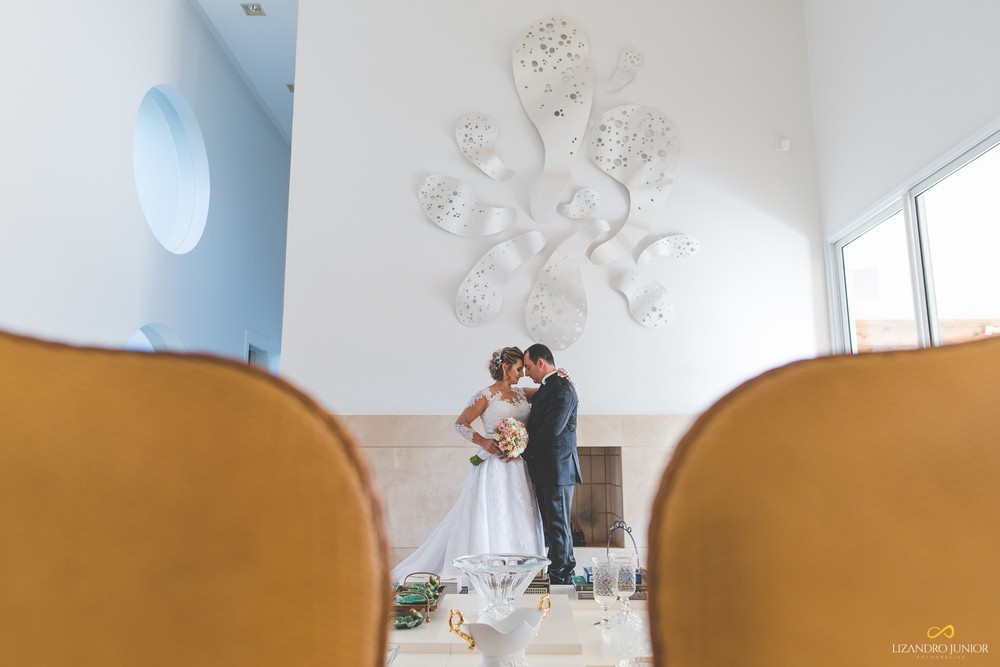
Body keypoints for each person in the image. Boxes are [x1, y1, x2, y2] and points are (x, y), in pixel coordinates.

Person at [390, 346, 544, 584]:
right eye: (518, 368)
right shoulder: (485, 396)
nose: (522, 373)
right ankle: (487, 569)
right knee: (491, 513)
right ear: (505, 368)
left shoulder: (523, 394)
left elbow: (550, 388)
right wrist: (484, 441)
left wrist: (563, 376)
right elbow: (461, 423)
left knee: (518, 513)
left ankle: (518, 572)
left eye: (524, 368)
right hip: (492, 465)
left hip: (516, 466)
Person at [521, 343, 581, 585]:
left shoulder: (562, 388)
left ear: (541, 363)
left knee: (559, 524)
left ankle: (563, 575)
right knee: (552, 524)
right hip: (547, 468)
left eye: (527, 367)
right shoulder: (549, 386)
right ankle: (556, 571)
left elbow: (551, 430)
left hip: (558, 468)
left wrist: (522, 451)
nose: (526, 372)